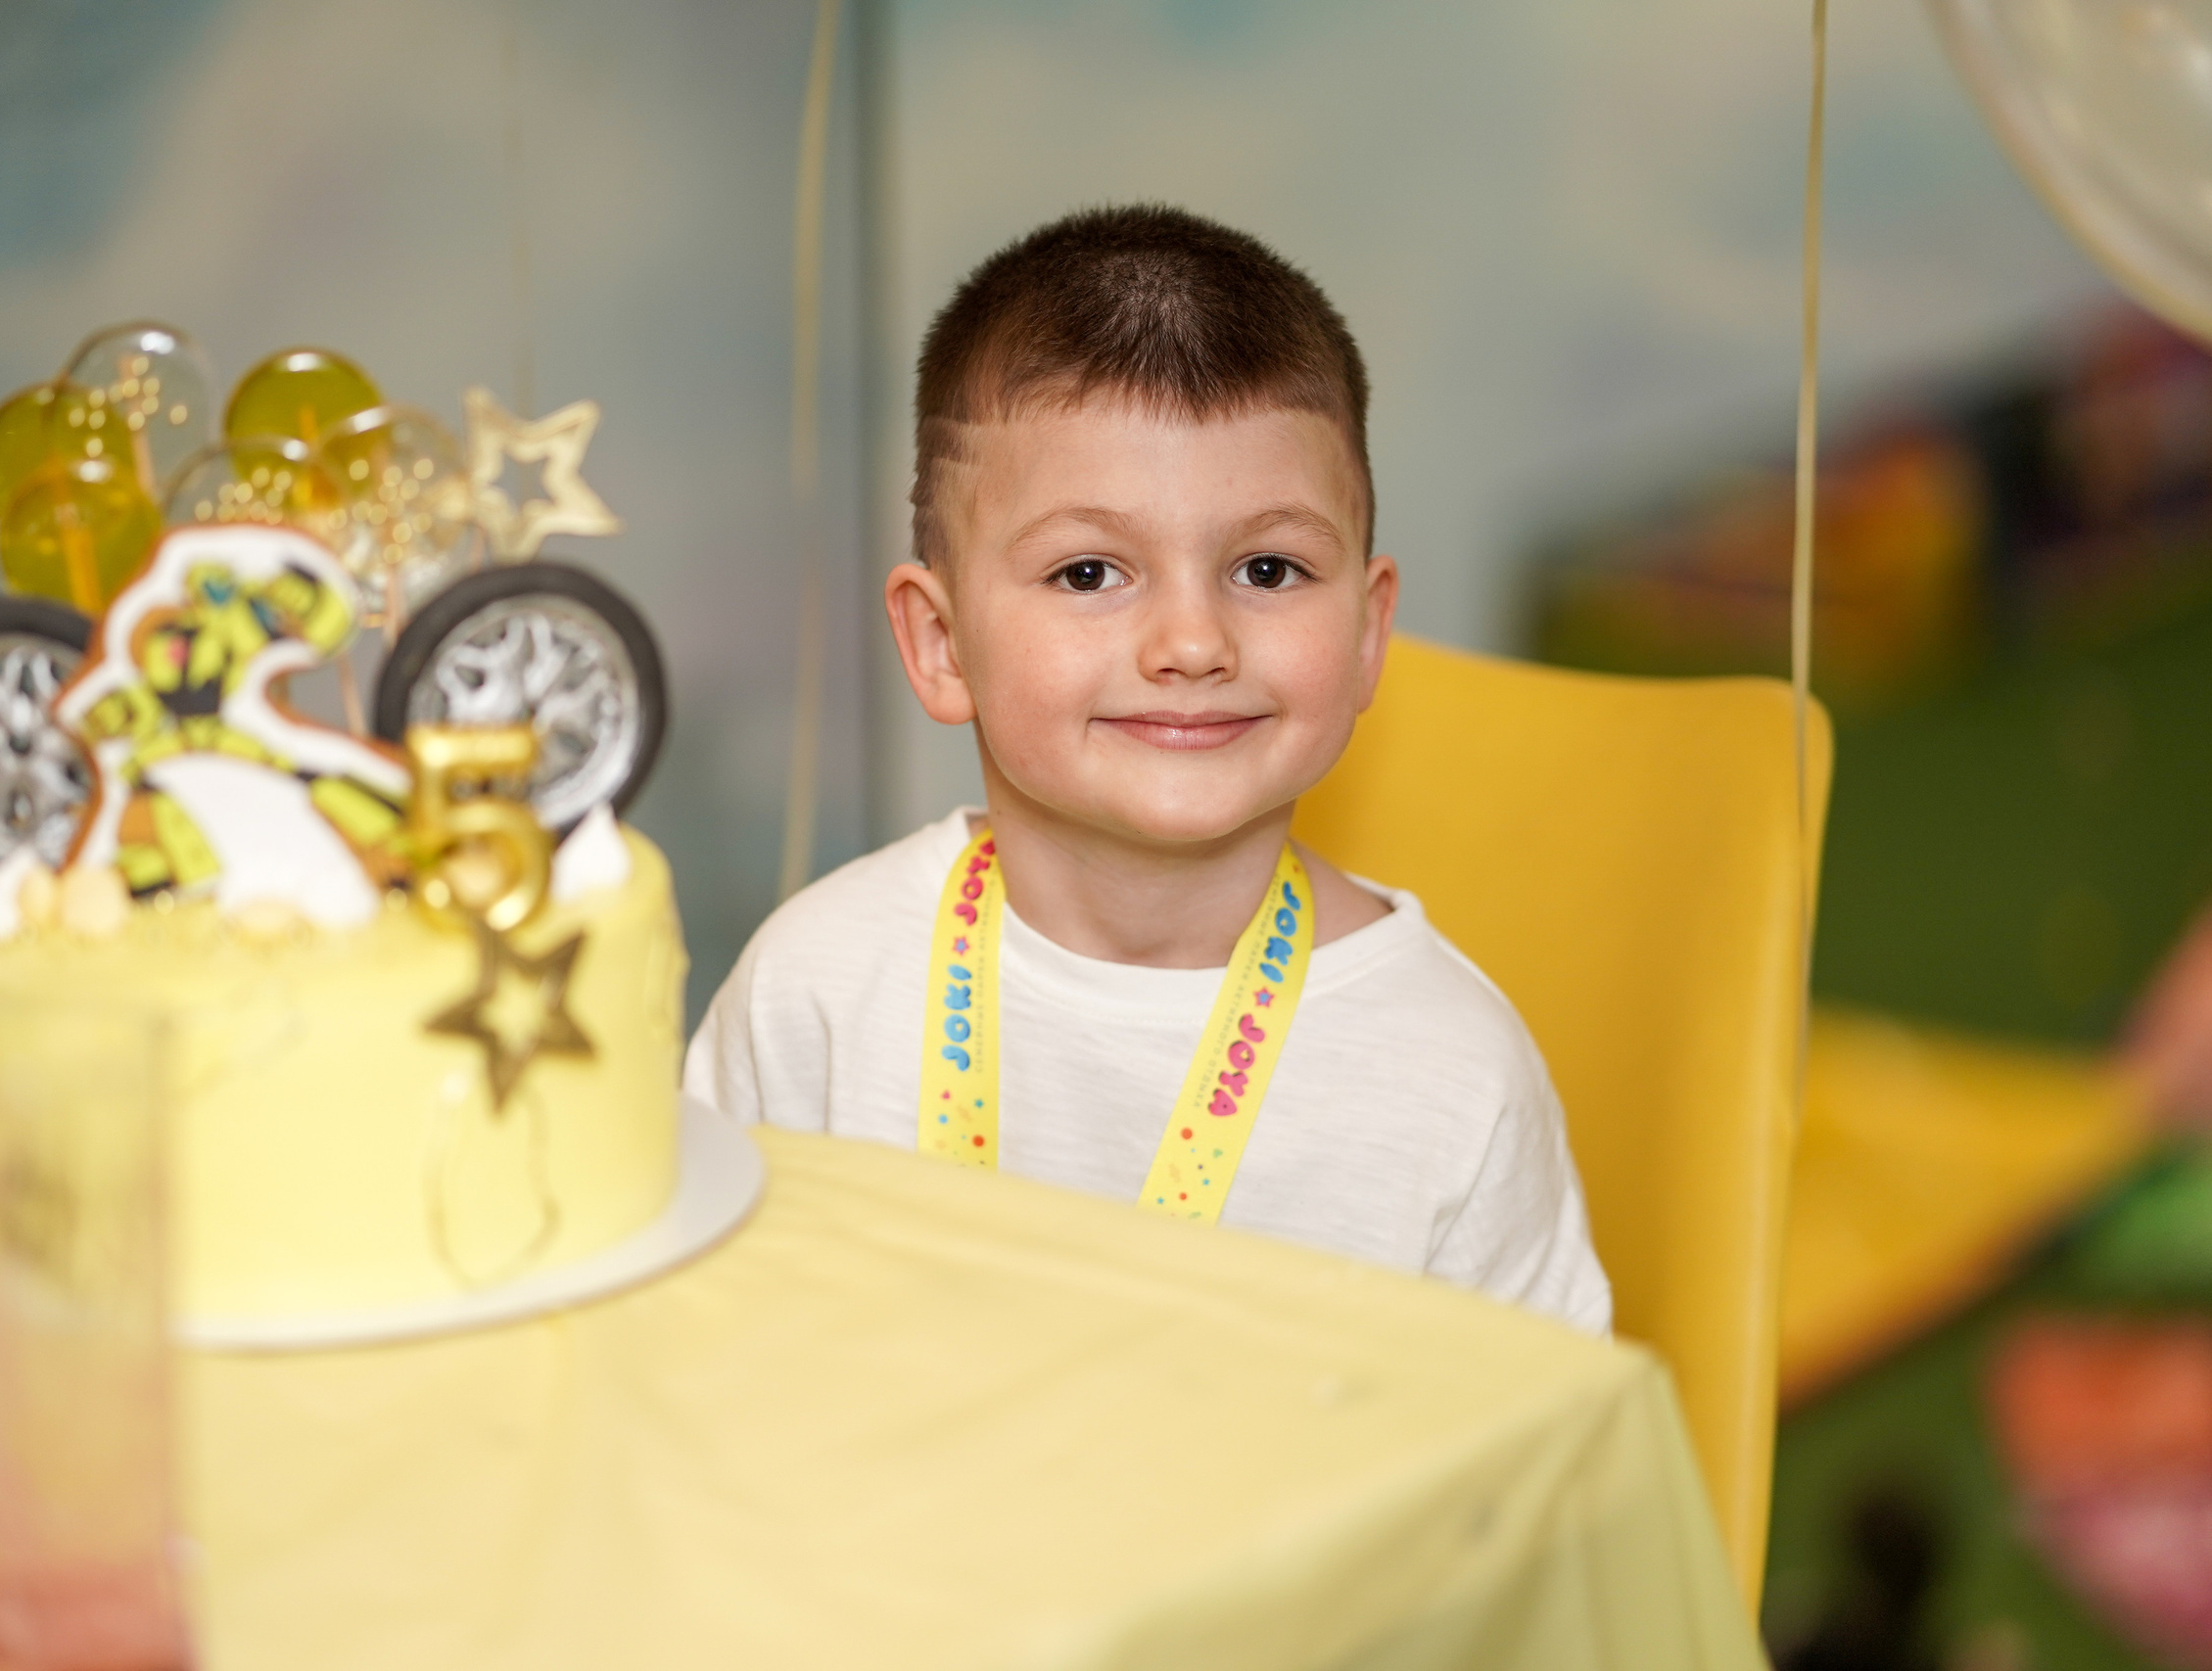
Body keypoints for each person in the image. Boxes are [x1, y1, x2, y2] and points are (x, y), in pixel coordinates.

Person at [686, 205, 1610, 1333]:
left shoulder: (1452, 1079)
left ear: (1368, 637)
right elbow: (701, 1372)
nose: (1191, 641)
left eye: (1268, 568)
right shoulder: (816, 992)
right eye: (1087, 573)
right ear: (940, 645)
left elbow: (1542, 1491)